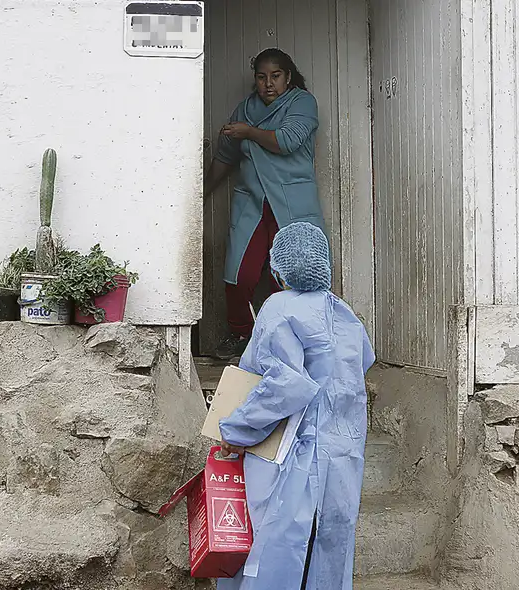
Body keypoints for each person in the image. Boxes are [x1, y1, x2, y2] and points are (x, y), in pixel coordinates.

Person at [217, 222, 376, 590]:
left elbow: (286, 385)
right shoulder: (345, 313)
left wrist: (237, 429)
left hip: (294, 453)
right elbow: (361, 363)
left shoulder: (279, 307)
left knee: (277, 552)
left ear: (278, 268)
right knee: (331, 552)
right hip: (343, 452)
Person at [204, 48, 329, 360]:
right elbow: (225, 157)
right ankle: (241, 334)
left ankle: (291, 343)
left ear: (288, 77)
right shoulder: (245, 109)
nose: (268, 83)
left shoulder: (302, 102)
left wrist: (247, 132)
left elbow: (286, 141)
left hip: (291, 202)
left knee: (293, 274)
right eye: (261, 77)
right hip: (253, 204)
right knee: (239, 274)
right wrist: (202, 192)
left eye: (275, 76)